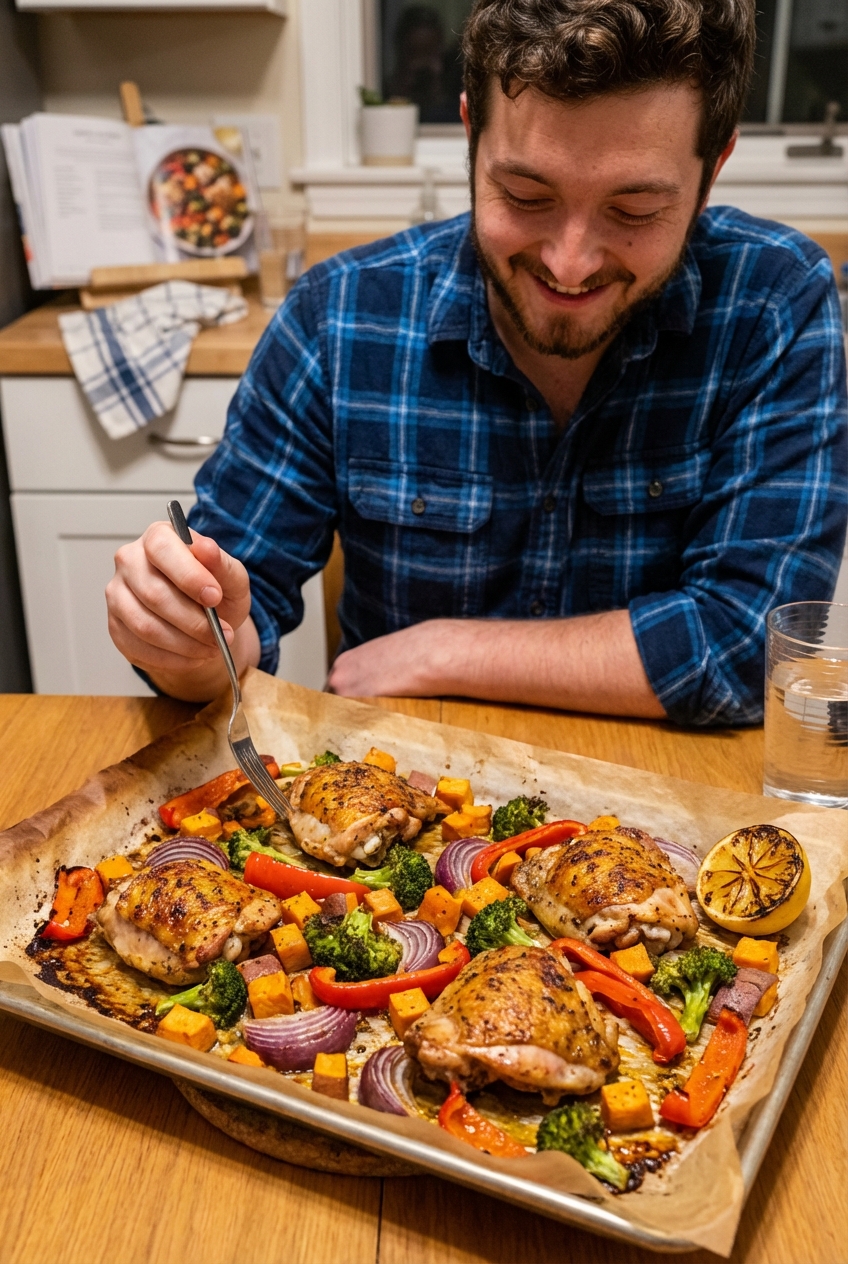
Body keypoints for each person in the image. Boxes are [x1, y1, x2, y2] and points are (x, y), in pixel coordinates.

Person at [106, 0, 847, 726]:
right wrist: (191, 644)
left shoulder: (773, 301)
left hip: (668, 808)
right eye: (526, 195)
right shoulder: (339, 314)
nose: (570, 262)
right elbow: (232, 612)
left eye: (634, 211)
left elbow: (755, 644)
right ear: (469, 135)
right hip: (400, 805)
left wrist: (446, 650)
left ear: (712, 170)